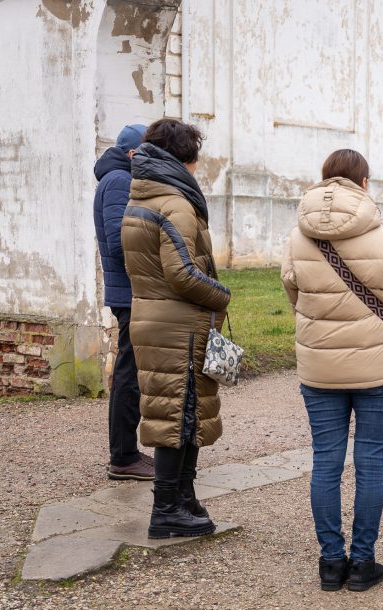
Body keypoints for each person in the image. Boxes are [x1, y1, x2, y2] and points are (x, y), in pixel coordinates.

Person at [281, 149, 383, 592]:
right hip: (379, 366)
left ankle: (329, 563)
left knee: (325, 462)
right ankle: (362, 564)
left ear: (323, 181)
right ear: (363, 184)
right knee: (370, 462)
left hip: (319, 367)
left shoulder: (297, 239)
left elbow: (293, 294)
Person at [121, 119, 231, 539]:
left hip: (156, 319)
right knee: (177, 416)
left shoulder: (143, 197)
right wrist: (222, 295)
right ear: (185, 157)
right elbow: (182, 273)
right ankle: (166, 509)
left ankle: (183, 498)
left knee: (184, 413)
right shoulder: (176, 204)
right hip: (178, 326)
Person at [93, 123, 154, 481]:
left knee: (132, 372)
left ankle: (127, 452)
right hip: (128, 293)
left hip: (130, 291)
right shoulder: (118, 180)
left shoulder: (118, 177)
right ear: (134, 154)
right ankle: (123, 457)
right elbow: (120, 243)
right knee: (129, 375)